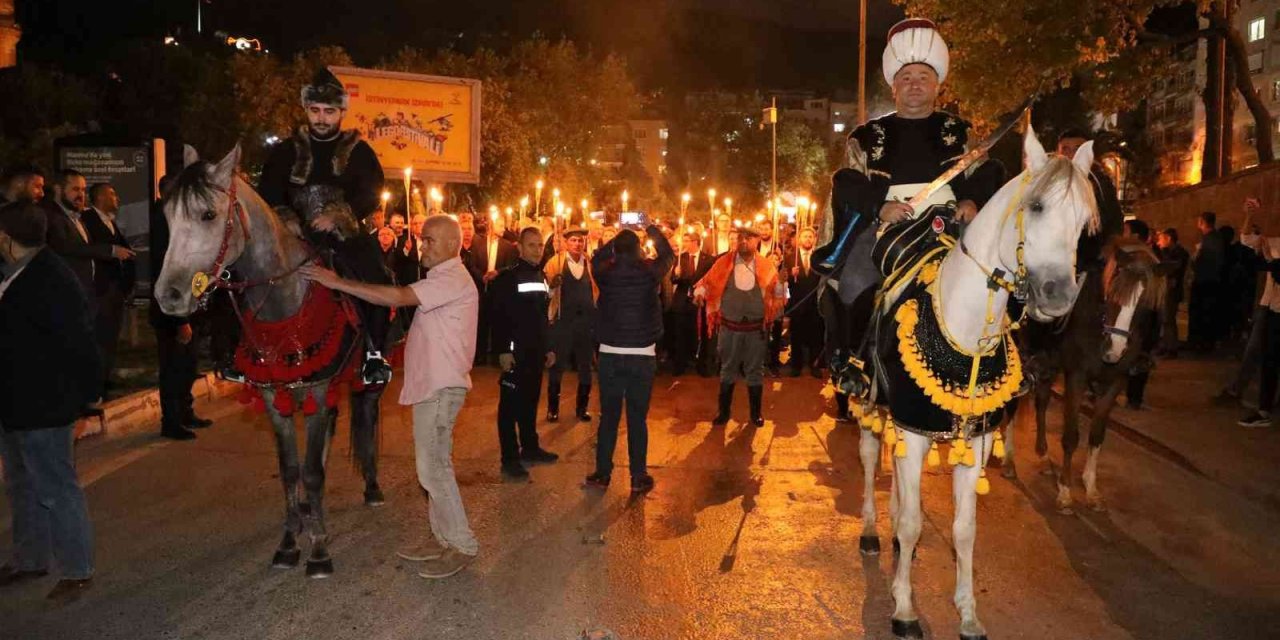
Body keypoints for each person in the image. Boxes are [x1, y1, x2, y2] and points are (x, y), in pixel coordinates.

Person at [816, 18, 1003, 420]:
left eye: (923, 76)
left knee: (1006, 278)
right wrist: (879, 206)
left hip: (951, 225)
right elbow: (846, 181)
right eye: (906, 77)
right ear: (894, 86)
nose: (915, 83)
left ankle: (1007, 365)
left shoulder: (960, 131)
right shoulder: (867, 137)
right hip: (889, 227)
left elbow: (988, 172)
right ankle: (854, 366)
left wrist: (971, 199)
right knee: (851, 282)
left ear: (937, 85)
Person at [300, 214, 480, 578]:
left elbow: (396, 296)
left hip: (441, 388)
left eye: (428, 240)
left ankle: (462, 543)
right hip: (433, 386)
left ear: (450, 245)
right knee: (430, 468)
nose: (421, 245)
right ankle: (441, 538)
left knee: (435, 470)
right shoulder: (441, 278)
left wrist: (339, 283)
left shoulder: (452, 278)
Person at [257, 67, 391, 384]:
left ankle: (374, 354)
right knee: (242, 270)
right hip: (294, 235)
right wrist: (287, 221)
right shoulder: (286, 151)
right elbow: (269, 192)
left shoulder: (358, 150)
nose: (321, 118)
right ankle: (242, 351)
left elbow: (372, 192)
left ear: (341, 112)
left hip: (344, 234)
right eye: (315, 110)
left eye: (329, 111)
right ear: (306, 110)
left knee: (377, 277)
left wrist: (339, 215)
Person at [0, 201, 100, 603]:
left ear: (6, 240)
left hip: (45, 405)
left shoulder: (50, 278)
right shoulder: (15, 272)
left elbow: (81, 342)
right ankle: (30, 559)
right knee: (22, 485)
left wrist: (86, 399)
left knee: (56, 487)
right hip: (14, 403)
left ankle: (77, 569)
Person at [582, 222, 675, 493]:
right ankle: (637, 475)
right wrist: (654, 232)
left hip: (610, 352)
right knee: (637, 418)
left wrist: (611, 242)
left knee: (608, 417)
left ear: (616, 250)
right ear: (637, 250)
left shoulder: (605, 274)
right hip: (642, 353)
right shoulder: (649, 273)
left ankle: (602, 473)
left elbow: (596, 257)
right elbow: (668, 256)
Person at [695, 226, 787, 426]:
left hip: (756, 331)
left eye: (749, 237)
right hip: (730, 329)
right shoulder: (723, 263)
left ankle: (755, 414)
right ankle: (724, 412)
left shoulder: (766, 266)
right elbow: (705, 283)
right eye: (741, 238)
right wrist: (700, 293)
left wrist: (781, 286)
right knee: (727, 369)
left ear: (756, 242)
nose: (744, 241)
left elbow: (779, 295)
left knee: (755, 371)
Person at [489, 227, 559, 478]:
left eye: (540, 245)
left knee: (530, 402)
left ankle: (530, 447)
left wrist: (548, 347)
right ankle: (509, 458)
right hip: (515, 353)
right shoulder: (507, 278)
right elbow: (499, 319)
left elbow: (543, 317)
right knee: (509, 407)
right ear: (519, 247)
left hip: (535, 352)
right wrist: (503, 352)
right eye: (531, 245)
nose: (537, 250)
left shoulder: (541, 277)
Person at [150, 177, 208, 440]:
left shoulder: (178, 218)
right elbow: (169, 272)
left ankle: (185, 412)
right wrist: (180, 319)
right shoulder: (163, 221)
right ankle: (170, 421)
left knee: (187, 365)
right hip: (170, 311)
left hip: (188, 305)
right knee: (173, 367)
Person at [81, 183, 137, 402]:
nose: (117, 198)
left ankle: (105, 378)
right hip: (99, 289)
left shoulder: (110, 221)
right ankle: (94, 385)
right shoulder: (88, 220)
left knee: (110, 337)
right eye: (112, 194)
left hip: (116, 290)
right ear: (100, 197)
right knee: (99, 337)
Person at [44, 169, 134, 300]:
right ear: (58, 190)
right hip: (65, 293)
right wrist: (111, 250)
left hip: (88, 292)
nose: (81, 195)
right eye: (75, 189)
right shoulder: (50, 216)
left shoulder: (77, 217)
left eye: (83, 189)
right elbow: (65, 247)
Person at [544, 228, 598, 423]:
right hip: (563, 322)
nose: (577, 244)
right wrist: (551, 285)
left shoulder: (590, 264)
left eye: (580, 241)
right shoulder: (555, 263)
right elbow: (545, 292)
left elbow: (597, 290)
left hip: (585, 323)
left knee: (585, 366)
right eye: (573, 240)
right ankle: (553, 409)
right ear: (566, 242)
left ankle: (582, 407)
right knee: (557, 366)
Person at [1238, 237, 1280, 428]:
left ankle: (1264, 410)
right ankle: (1264, 408)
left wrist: (1271, 260)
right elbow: (1258, 264)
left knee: (1271, 359)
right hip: (1274, 308)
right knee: (1269, 360)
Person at [669, 231, 714, 376]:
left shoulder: (708, 260)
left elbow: (711, 280)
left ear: (695, 242)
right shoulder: (680, 258)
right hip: (682, 302)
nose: (685, 244)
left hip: (700, 302)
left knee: (701, 334)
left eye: (687, 240)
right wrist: (676, 274)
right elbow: (673, 280)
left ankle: (702, 365)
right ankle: (680, 365)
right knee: (680, 334)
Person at [785, 226, 824, 377]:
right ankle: (796, 365)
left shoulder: (819, 257)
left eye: (810, 236)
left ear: (814, 239)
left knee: (816, 335)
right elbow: (782, 282)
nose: (807, 239)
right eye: (805, 236)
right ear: (799, 239)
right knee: (796, 336)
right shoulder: (790, 258)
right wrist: (790, 274)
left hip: (814, 303)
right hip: (797, 303)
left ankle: (815, 365)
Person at [1188, 211, 1226, 352]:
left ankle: (1201, 343)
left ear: (1203, 222)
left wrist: (1197, 254)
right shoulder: (1215, 238)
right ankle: (1203, 342)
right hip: (1210, 280)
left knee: (1202, 312)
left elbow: (1203, 261)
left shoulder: (1210, 239)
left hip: (1205, 281)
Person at [1156, 227, 1189, 357]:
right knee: (1164, 319)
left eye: (1161, 239)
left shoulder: (1179, 253)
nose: (1159, 242)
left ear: (1169, 238)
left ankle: (1171, 348)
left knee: (1169, 319)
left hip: (1172, 290)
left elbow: (1172, 269)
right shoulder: (1168, 252)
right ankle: (1165, 345)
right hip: (1165, 289)